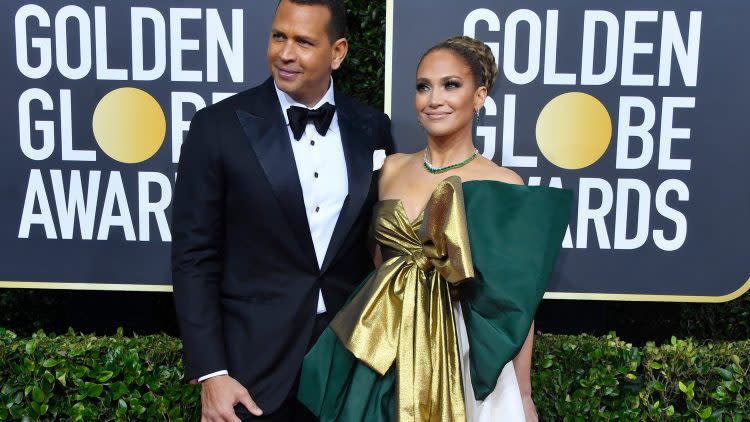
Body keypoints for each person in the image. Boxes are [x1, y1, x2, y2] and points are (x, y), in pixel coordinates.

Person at [297, 36, 572, 421]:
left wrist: (523, 393)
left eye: (451, 85)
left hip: (462, 353)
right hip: (386, 347)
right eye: (423, 86)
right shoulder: (390, 170)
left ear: (479, 96)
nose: (434, 98)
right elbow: (379, 267)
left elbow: (515, 306)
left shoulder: (504, 184)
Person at [171, 0, 395, 420]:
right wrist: (212, 373)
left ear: (338, 52)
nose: (285, 53)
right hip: (249, 371)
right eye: (279, 36)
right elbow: (193, 257)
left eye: (304, 42)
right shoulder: (217, 127)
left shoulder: (372, 128)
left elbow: (379, 240)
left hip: (346, 362)